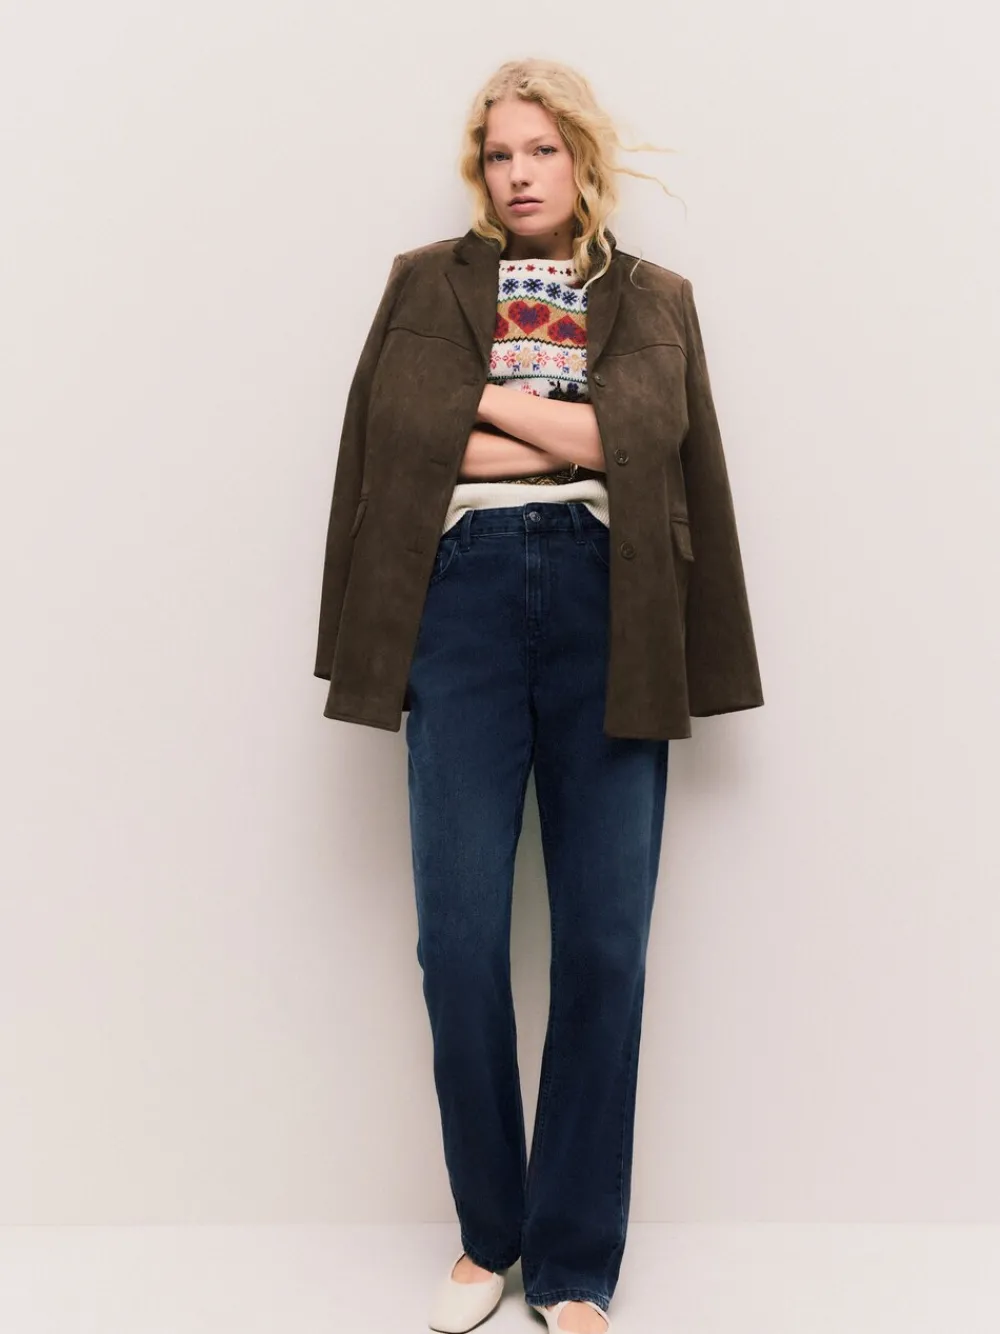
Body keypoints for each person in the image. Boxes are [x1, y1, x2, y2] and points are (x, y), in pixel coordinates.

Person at [314, 58, 764, 1334]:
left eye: (541, 150)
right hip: (457, 599)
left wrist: (488, 413)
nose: (518, 174)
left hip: (610, 604)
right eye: (499, 153)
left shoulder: (654, 298)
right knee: (456, 940)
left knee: (605, 944)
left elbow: (648, 436)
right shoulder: (423, 285)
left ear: (582, 159)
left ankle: (570, 1260)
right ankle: (488, 1232)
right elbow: (403, 438)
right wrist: (568, 425)